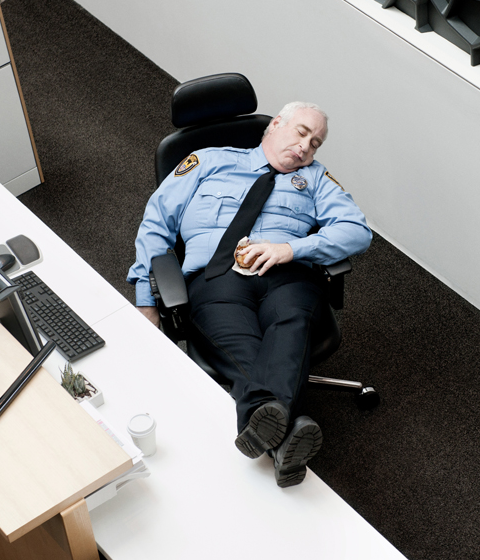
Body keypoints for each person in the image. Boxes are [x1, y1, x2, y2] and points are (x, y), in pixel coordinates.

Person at [128, 101, 372, 487]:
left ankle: (265, 420)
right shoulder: (207, 161)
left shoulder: (316, 180)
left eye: (317, 143)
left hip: (287, 275)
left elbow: (357, 232)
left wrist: (291, 249)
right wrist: (146, 298)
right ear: (276, 125)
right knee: (245, 348)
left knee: (290, 321)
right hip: (217, 278)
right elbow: (157, 223)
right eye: (302, 132)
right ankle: (285, 437)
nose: (307, 147)